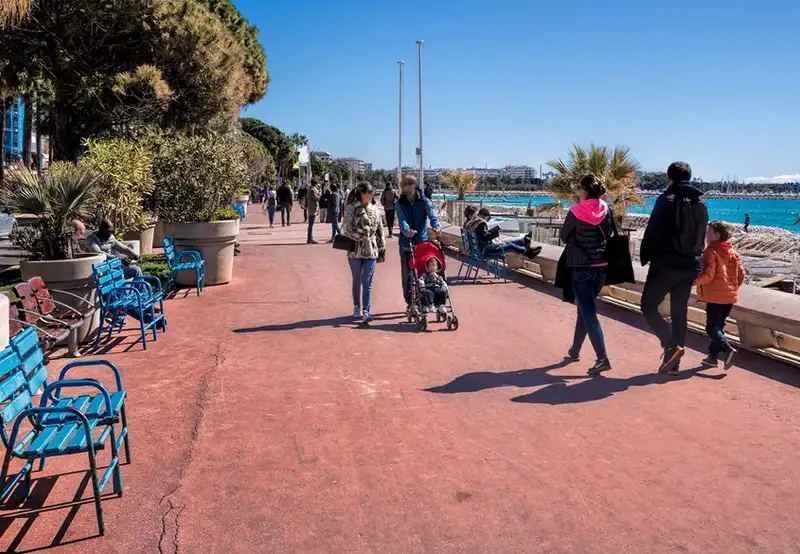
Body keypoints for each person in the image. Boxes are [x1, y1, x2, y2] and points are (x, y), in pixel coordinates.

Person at [640, 161, 709, 375]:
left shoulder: (666, 199)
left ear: (669, 178)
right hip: (691, 265)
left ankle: (670, 345)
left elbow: (654, 230)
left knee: (648, 305)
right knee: (680, 312)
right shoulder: (701, 203)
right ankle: (674, 365)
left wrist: (646, 255)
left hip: (667, 264)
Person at [559, 175, 614, 376]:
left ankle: (602, 358)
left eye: (579, 189)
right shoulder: (607, 209)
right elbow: (607, 234)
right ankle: (575, 351)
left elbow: (564, 237)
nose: (578, 192)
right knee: (584, 309)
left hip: (580, 266)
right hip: (601, 266)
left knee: (588, 311)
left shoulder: (575, 212)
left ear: (585, 191)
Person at [694, 221, 745, 370]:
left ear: (716, 234)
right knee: (719, 326)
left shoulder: (711, 251)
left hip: (716, 297)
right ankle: (712, 357)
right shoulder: (733, 252)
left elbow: (708, 276)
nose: (706, 234)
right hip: (729, 297)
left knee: (711, 328)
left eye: (708, 231)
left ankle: (728, 349)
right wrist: (731, 289)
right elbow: (741, 275)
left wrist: (692, 282)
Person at [396, 174, 441, 311]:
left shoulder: (424, 201)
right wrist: (406, 230)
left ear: (414, 186)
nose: (405, 189)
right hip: (406, 243)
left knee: (423, 273)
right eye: (403, 186)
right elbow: (401, 219)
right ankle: (410, 302)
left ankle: (424, 300)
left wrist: (436, 226)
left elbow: (432, 214)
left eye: (408, 185)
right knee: (407, 275)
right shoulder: (399, 203)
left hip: (421, 242)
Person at [342, 182, 386, 324]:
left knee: (367, 281)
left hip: (371, 250)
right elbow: (347, 228)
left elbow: (380, 230)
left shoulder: (375, 209)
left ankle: (366, 311)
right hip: (355, 249)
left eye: (372, 193)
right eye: (368, 193)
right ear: (362, 193)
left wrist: (382, 247)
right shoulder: (351, 208)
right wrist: (362, 235)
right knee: (357, 279)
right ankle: (357, 306)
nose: (371, 196)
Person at [465, 208, 541, 259]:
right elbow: (484, 237)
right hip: (486, 251)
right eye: (486, 219)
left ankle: (524, 244)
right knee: (510, 246)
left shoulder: (471, 223)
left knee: (507, 242)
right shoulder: (481, 224)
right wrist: (495, 233)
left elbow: (481, 235)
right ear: (482, 215)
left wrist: (491, 232)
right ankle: (528, 252)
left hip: (476, 251)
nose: (486, 221)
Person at [305, 180, 321, 244]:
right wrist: (319, 193)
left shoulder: (310, 189)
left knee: (311, 224)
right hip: (312, 209)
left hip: (311, 208)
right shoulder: (312, 190)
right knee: (311, 224)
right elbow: (317, 198)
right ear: (316, 184)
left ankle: (310, 238)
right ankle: (310, 238)